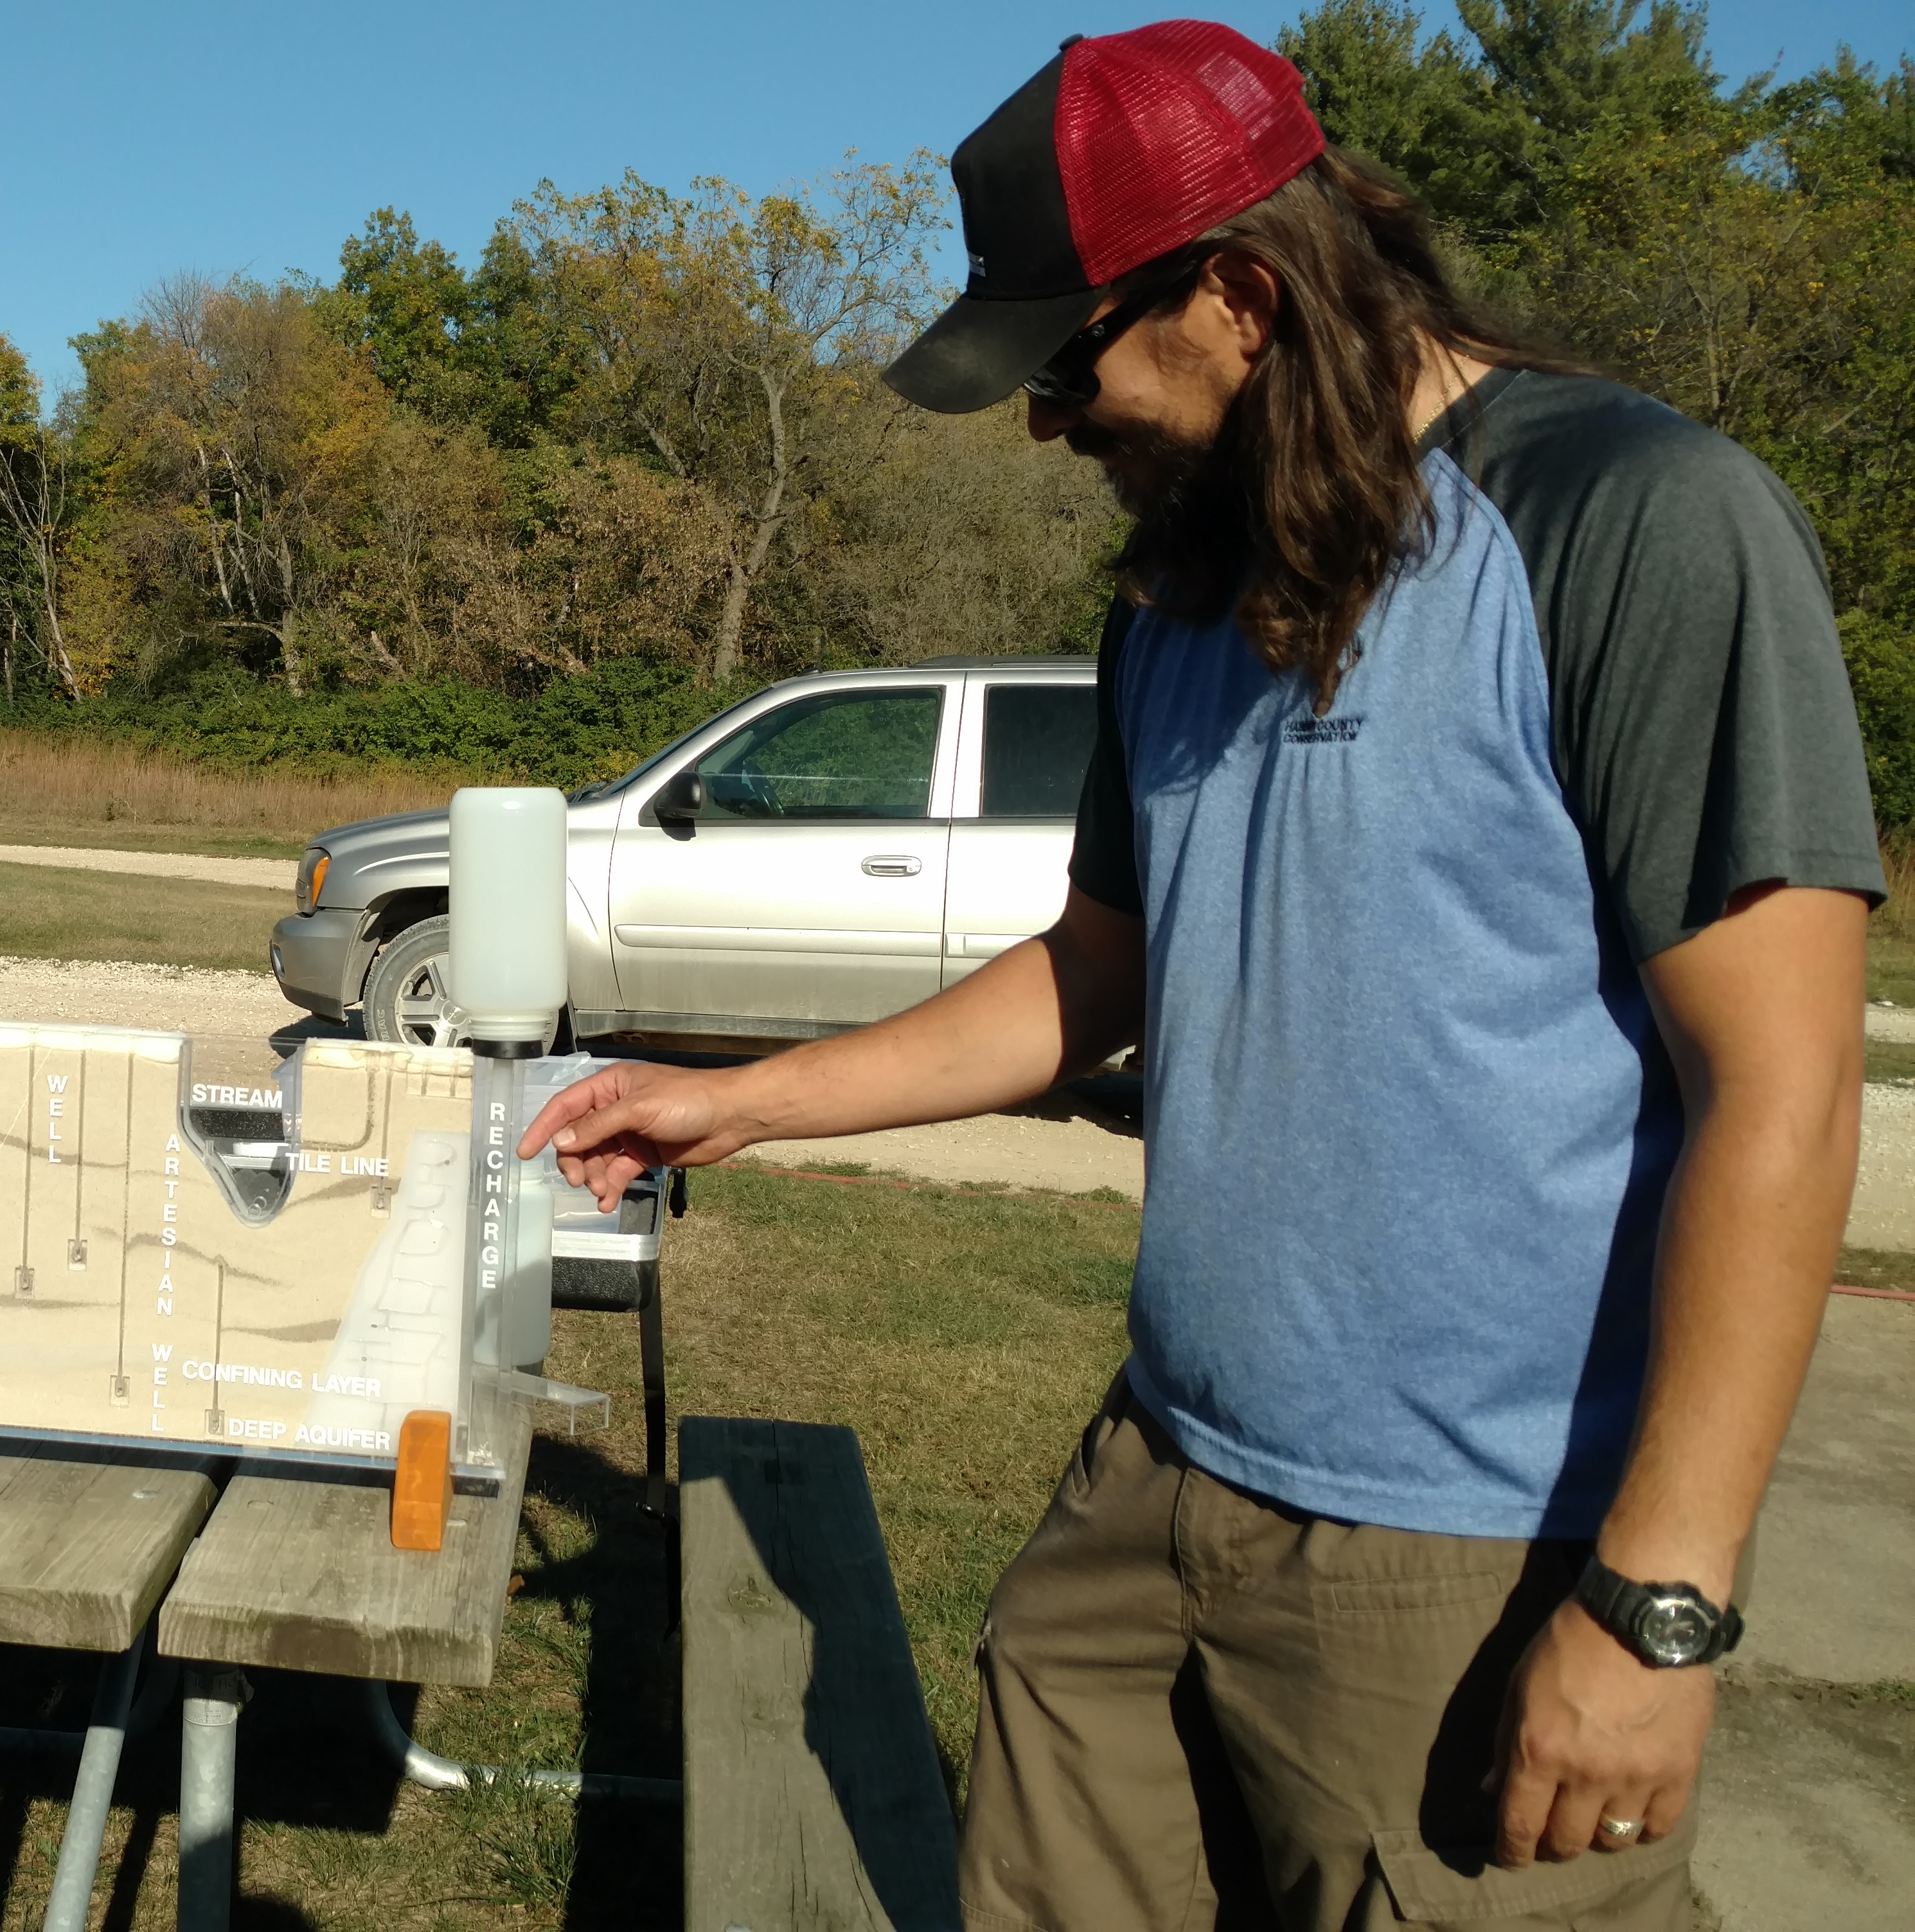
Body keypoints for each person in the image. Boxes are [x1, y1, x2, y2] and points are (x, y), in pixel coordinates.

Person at [528, 22, 1878, 1932]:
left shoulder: (1632, 523)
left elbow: (1788, 1094)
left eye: (1069, 365)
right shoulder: (1178, 599)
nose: (1047, 422)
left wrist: (1658, 1599)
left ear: (1241, 298)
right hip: (1155, 1476)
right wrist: (741, 1095)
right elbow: (1097, 973)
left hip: (1467, 1551)